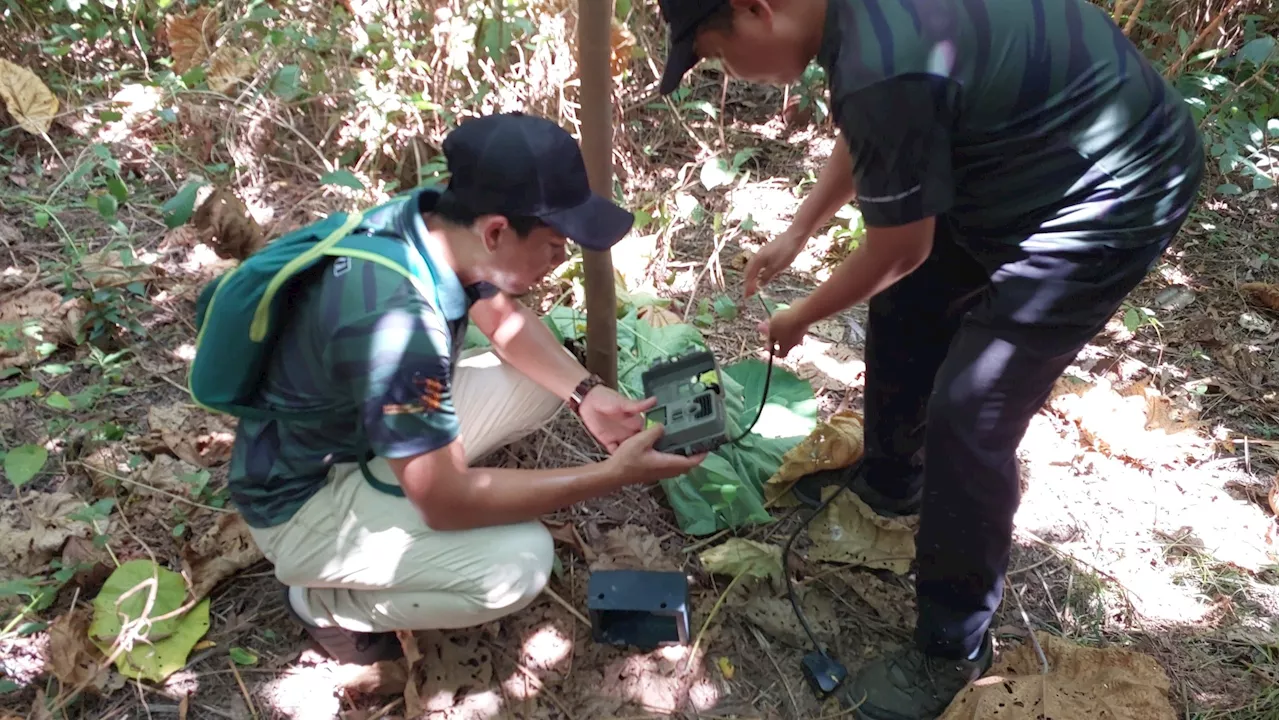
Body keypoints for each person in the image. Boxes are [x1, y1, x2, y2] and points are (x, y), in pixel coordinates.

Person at [655, 0, 1205, 717]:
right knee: (909, 305)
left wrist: (803, 313)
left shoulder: (880, 55)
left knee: (972, 415)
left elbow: (900, 246)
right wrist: (798, 229)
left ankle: (951, 644)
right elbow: (882, 129)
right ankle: (890, 482)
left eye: (718, 53)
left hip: (1113, 187)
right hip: (1027, 156)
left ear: (759, 9)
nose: (730, 72)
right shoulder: (855, 28)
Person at [223, 112, 706, 665]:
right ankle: (325, 601)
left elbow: (503, 321)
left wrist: (586, 394)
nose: (561, 259)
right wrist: (607, 478)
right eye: (554, 245)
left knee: (541, 382)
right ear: (498, 231)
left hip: (352, 440)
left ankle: (387, 505)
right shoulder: (398, 326)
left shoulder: (431, 223)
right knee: (519, 564)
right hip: (303, 504)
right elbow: (445, 502)